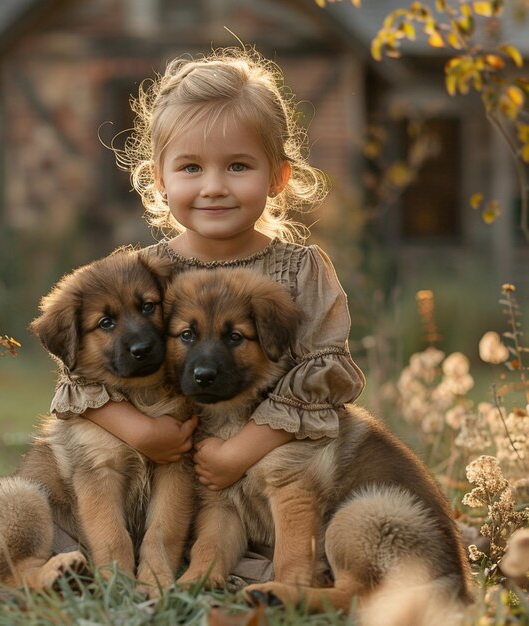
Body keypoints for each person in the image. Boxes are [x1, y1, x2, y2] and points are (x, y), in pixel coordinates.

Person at [50, 46, 365, 495]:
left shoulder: (301, 272)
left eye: (238, 165)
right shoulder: (147, 276)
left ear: (278, 176)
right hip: (171, 485)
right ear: (159, 178)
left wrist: (237, 454)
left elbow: (325, 379)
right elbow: (79, 377)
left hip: (277, 481)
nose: (214, 187)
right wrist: (140, 433)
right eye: (191, 167)